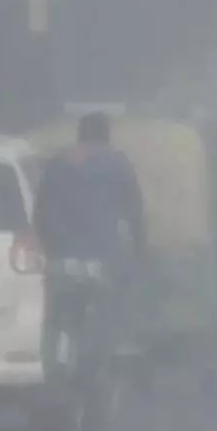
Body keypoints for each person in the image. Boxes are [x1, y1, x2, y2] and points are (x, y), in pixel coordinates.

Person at [34, 112, 150, 376]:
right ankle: (114, 351)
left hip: (61, 261)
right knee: (114, 306)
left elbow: (40, 212)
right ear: (106, 135)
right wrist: (141, 251)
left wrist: (51, 249)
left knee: (58, 318)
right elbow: (134, 213)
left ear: (80, 134)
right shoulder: (117, 163)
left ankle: (59, 365)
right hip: (102, 260)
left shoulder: (58, 161)